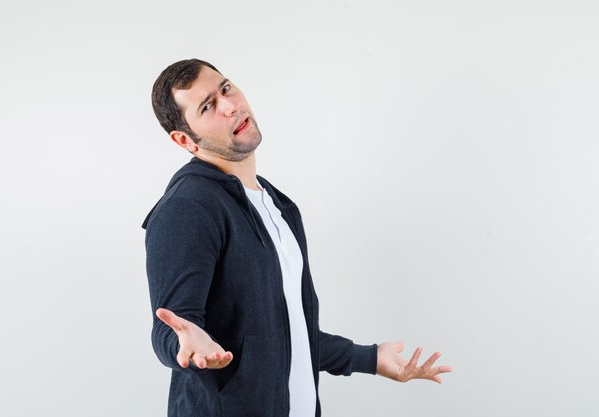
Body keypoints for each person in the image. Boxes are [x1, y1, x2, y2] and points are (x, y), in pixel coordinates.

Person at [142, 58, 452, 417]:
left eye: (225, 88)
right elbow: (171, 329)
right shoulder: (188, 208)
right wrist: (186, 344)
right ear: (185, 140)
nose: (230, 106)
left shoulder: (277, 205)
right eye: (208, 106)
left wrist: (371, 358)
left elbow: (284, 335)